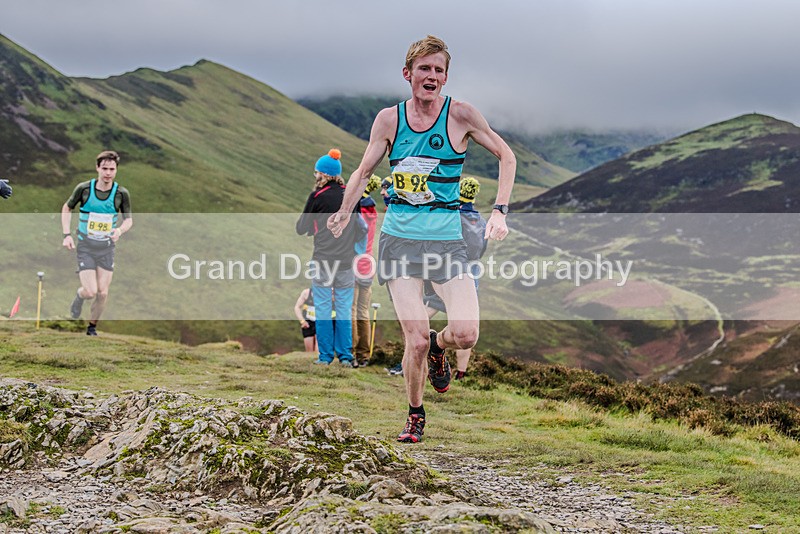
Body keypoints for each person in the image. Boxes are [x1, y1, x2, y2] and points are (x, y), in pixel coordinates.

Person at [328, 35, 516, 443]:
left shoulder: (461, 115)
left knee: (466, 334)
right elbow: (362, 171)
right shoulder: (388, 120)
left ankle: (439, 343)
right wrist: (344, 210)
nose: (431, 77)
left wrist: (499, 212)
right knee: (411, 341)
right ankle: (415, 413)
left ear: (446, 78)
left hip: (447, 243)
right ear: (408, 74)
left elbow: (507, 156)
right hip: (399, 242)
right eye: (424, 69)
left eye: (438, 70)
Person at [296, 148, 361, 367]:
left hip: (323, 260)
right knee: (343, 309)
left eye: (317, 172)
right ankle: (345, 356)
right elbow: (360, 227)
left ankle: (325, 357)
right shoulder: (351, 196)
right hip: (346, 262)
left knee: (323, 308)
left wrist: (315, 229)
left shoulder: (317, 196)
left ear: (324, 174)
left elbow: (301, 227)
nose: (315, 176)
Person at [423, 177, 488, 381]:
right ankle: (461, 372)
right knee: (466, 325)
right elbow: (482, 249)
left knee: (422, 315)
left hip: (448, 273)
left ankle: (416, 356)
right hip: (472, 273)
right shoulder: (481, 220)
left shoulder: (452, 216)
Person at [62, 150, 133, 336]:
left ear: (116, 170)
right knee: (91, 291)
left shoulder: (121, 193)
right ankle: (79, 297)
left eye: (112, 169)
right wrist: (67, 235)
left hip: (106, 248)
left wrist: (119, 230)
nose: (108, 173)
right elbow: (67, 207)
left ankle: (92, 327)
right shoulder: (84, 189)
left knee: (103, 293)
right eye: (104, 169)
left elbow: (128, 220)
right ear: (97, 168)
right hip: (85, 246)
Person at [352, 174, 380, 367]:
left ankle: (351, 353)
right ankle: (363, 354)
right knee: (363, 310)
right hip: (368, 264)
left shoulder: (357, 212)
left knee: (351, 309)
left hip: (354, 262)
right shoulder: (373, 212)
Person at [294, 287, 318, 352]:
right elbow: (297, 307)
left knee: (318, 351)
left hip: (320, 323)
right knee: (309, 352)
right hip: (308, 323)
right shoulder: (306, 292)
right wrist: (302, 321)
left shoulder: (326, 293)